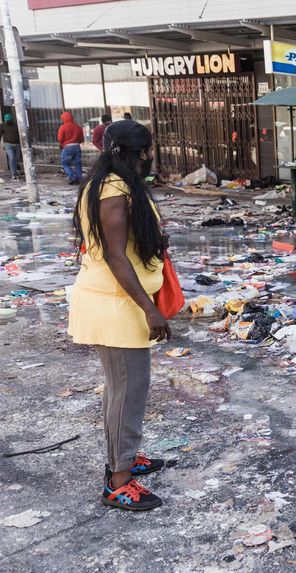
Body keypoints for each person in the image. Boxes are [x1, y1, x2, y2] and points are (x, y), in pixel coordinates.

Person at [68, 120, 171, 511]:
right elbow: (114, 255)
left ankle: (124, 457)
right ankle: (118, 481)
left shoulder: (113, 183)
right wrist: (151, 310)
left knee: (122, 390)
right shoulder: (113, 191)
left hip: (118, 302)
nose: (150, 156)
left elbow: (124, 245)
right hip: (116, 306)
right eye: (147, 150)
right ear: (137, 153)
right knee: (127, 393)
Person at [58, 111, 84, 184]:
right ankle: (79, 178)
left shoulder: (63, 127)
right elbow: (82, 139)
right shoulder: (78, 127)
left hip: (67, 147)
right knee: (78, 164)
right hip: (77, 146)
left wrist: (62, 145)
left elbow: (60, 139)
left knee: (65, 163)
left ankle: (72, 177)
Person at [1, 113, 22, 180]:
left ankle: (16, 170)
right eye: (7, 120)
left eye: (9, 120)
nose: (8, 121)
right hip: (8, 144)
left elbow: (21, 133)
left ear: (12, 119)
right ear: (5, 120)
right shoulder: (2, 125)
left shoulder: (16, 125)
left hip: (17, 144)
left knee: (16, 158)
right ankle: (14, 173)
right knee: (12, 157)